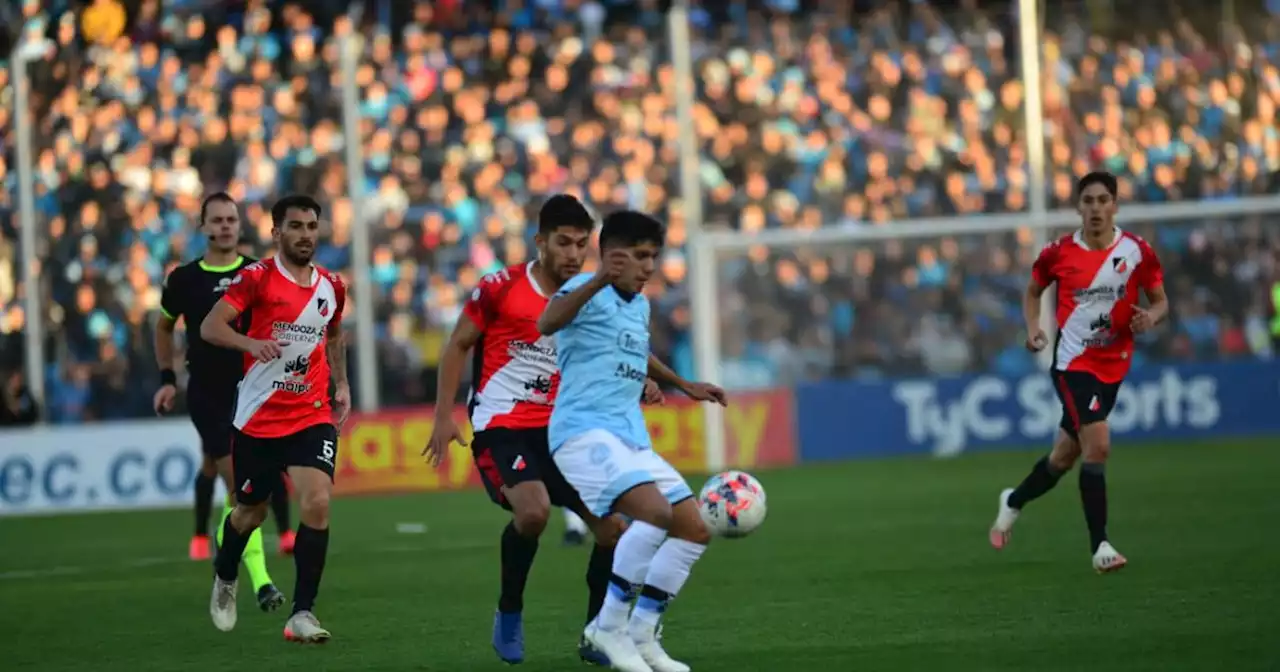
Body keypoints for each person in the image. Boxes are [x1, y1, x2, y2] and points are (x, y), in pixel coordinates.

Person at [423, 194, 660, 666]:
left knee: (615, 530)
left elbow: (618, 348)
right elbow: (457, 346)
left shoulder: (591, 299)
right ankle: (509, 610)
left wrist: (648, 378)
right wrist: (443, 414)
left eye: (581, 244)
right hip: (503, 427)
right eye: (564, 243)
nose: (574, 254)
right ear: (540, 242)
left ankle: (598, 633)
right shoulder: (500, 288)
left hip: (564, 432)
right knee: (533, 513)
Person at [538, 210, 727, 672]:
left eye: (653, 257)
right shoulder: (582, 291)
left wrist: (683, 383)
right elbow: (547, 322)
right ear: (612, 256)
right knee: (656, 514)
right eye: (640, 257)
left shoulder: (639, 306)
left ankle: (642, 633)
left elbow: (636, 352)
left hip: (629, 436)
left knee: (693, 527)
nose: (648, 267)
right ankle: (608, 629)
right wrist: (599, 277)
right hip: (582, 432)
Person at [989, 172, 1167, 573]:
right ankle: (1100, 545)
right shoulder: (1059, 253)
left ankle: (1013, 501)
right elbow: (1034, 290)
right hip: (1073, 364)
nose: (1096, 208)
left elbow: (1160, 301)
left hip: (1114, 366)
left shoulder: (1138, 252)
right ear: (1079, 207)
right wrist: (1034, 329)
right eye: (1088, 201)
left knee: (1064, 457)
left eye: (1104, 200)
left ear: (1115, 205)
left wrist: (1150, 318)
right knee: (1098, 444)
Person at [200, 194, 351, 643]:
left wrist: (340, 385)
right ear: (276, 233)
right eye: (296, 226)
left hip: (310, 414)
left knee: (318, 501)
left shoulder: (331, 287)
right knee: (250, 512)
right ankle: (226, 575)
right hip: (259, 419)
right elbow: (211, 326)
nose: (306, 234)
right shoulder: (258, 278)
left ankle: (302, 614)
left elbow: (335, 334)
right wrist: (250, 345)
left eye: (312, 226)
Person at [154, 192, 288, 613]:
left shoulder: (258, 273)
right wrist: (166, 379)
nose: (226, 225)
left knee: (254, 494)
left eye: (232, 219)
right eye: (218, 220)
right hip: (208, 396)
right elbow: (163, 327)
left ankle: (225, 555)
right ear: (204, 226)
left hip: (253, 392)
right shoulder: (183, 279)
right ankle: (262, 584)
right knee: (238, 487)